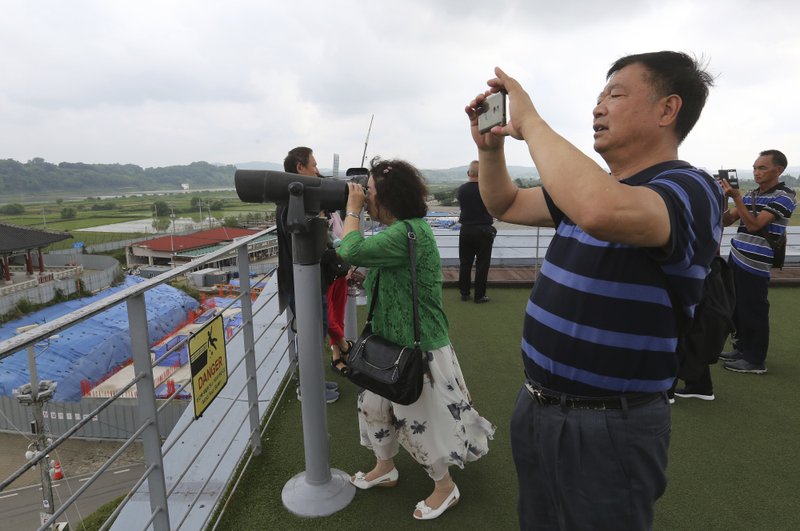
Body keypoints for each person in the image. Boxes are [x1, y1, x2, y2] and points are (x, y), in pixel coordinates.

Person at [465, 52, 722, 530]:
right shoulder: (593, 187)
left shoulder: (690, 187)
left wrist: (531, 122)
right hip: (538, 403)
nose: (598, 107)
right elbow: (506, 203)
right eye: (600, 96)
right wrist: (491, 150)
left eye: (615, 95)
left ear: (668, 109)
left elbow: (601, 212)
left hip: (611, 422)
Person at [338, 157, 495, 521]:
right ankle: (385, 467)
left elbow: (350, 250)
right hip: (387, 343)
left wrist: (351, 209)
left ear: (388, 196)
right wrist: (364, 279)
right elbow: (389, 275)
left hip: (417, 348)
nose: (365, 196)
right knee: (373, 408)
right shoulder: (398, 232)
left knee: (419, 419)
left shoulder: (408, 232)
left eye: (369, 191)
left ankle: (445, 487)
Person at [718, 150, 796, 374]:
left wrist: (737, 198)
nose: (756, 172)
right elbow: (726, 220)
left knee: (754, 309)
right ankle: (742, 349)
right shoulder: (753, 194)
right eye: (754, 168)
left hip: (755, 262)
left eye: (762, 168)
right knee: (738, 308)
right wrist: (724, 197)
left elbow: (754, 225)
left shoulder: (785, 196)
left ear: (778, 170)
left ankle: (755, 360)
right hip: (737, 256)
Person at [276, 146, 339, 403]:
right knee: (310, 332)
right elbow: (303, 240)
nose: (317, 170)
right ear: (300, 167)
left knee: (316, 330)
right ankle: (308, 388)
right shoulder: (292, 203)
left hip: (307, 280)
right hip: (301, 282)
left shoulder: (292, 198)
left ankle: (314, 381)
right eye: (313, 165)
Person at [457, 160, 496, 303]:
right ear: (483, 173)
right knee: (482, 264)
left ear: (468, 173)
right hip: (484, 230)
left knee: (465, 263)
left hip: (466, 229)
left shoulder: (461, 190)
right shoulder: (487, 189)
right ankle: (479, 295)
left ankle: (464, 293)